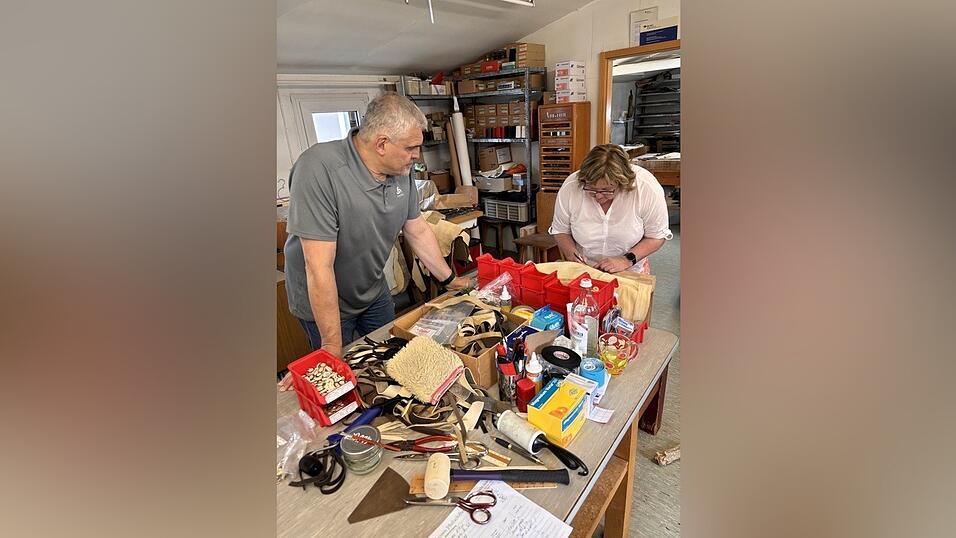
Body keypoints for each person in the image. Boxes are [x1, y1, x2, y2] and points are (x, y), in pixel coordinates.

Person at [278, 93, 472, 390]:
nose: (417, 155)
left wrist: (449, 280)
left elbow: (416, 229)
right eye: (411, 148)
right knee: (340, 380)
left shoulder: (400, 171)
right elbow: (318, 267)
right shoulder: (318, 169)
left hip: (372, 290)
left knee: (390, 361)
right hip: (326, 302)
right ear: (382, 144)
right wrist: (331, 346)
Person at [550, 144, 672, 274]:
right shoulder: (571, 186)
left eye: (607, 190)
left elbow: (656, 236)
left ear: (623, 183)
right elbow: (560, 230)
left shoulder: (646, 187)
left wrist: (626, 260)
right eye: (591, 188)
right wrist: (572, 255)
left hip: (630, 269)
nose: (598, 196)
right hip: (585, 269)